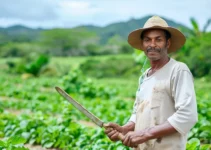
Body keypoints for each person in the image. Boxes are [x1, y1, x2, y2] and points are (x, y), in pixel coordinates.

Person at [104, 16, 198, 150]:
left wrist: (145, 134)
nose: (152, 44)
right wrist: (125, 129)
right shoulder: (144, 76)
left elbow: (187, 115)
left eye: (158, 39)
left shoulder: (178, 70)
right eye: (147, 40)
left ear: (168, 43)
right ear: (142, 45)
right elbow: (138, 113)